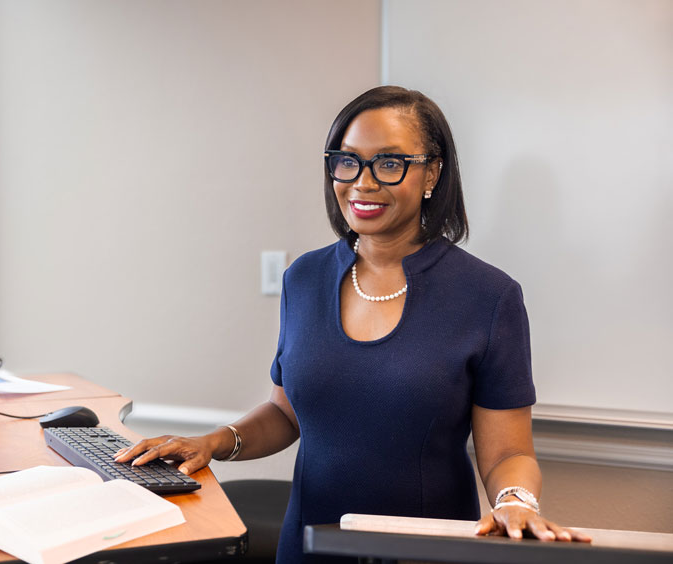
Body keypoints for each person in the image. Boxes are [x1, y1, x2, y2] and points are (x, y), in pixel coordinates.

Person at [114, 86, 591, 562]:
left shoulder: (488, 296)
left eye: (389, 163)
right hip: (307, 545)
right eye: (348, 161)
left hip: (423, 552)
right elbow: (286, 414)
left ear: (433, 173)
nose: (363, 182)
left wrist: (515, 500)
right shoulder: (304, 278)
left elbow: (509, 454)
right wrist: (215, 442)